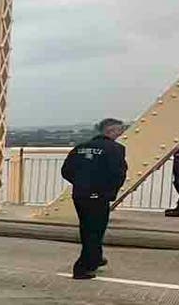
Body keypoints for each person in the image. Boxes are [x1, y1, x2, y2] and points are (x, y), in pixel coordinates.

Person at [61, 118, 127, 279]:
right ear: (110, 131)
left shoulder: (80, 147)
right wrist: (109, 191)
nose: (121, 132)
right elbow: (118, 173)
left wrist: (81, 183)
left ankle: (96, 258)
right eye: (119, 130)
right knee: (96, 230)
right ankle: (82, 268)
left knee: (86, 228)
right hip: (98, 196)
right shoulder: (115, 148)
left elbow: (66, 170)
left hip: (80, 195)